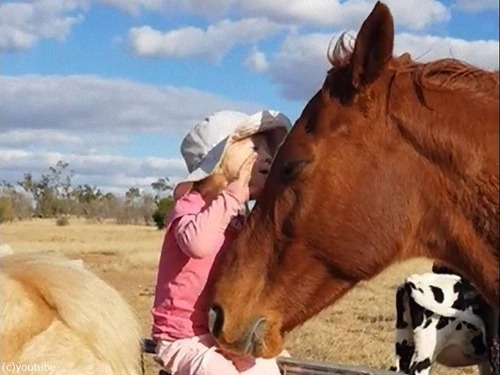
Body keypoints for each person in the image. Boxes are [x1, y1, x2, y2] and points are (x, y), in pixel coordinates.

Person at [151, 110, 292, 375]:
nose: (267, 156)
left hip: (224, 333)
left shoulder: (239, 216)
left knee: (265, 371)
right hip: (182, 336)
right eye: (254, 147)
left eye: (268, 150)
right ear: (217, 160)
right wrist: (234, 195)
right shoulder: (191, 204)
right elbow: (198, 245)